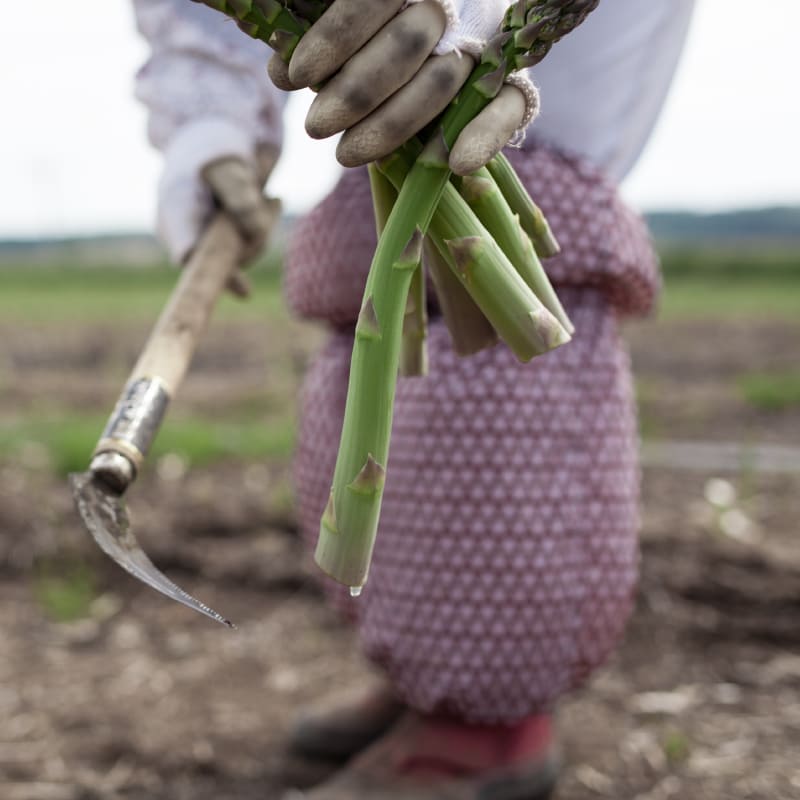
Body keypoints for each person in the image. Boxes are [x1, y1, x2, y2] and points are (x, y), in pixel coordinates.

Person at [133, 1, 696, 797]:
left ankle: (490, 722)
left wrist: (481, 23)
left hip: (536, 72)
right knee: (374, 305)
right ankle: (424, 676)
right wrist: (211, 130)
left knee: (502, 299)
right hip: (372, 122)